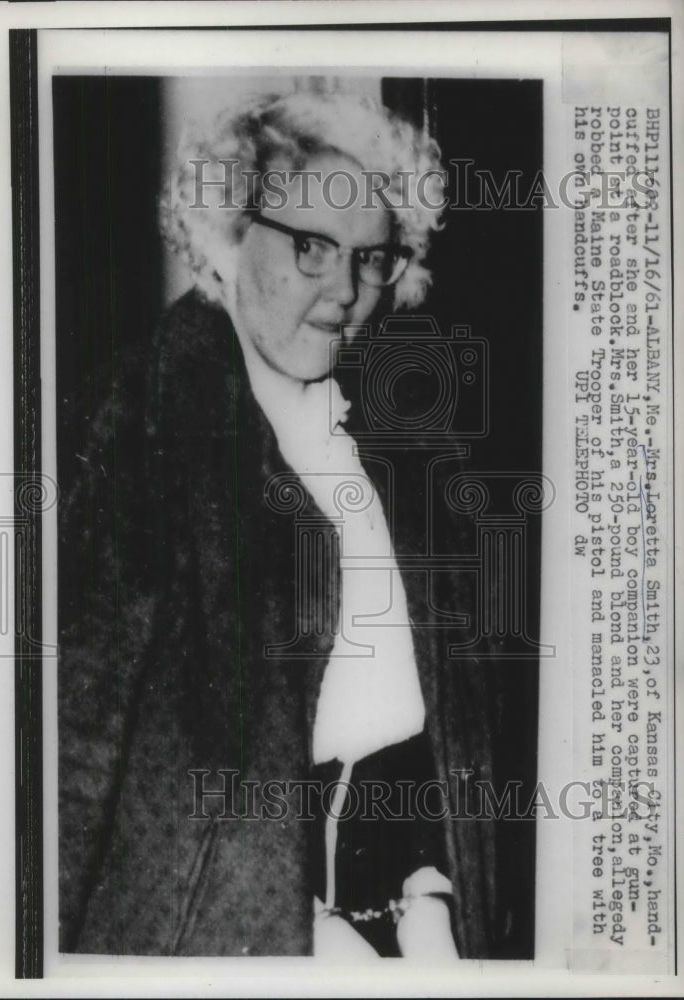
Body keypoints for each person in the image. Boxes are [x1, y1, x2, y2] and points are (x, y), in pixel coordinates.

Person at [58, 85, 501, 958]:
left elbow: (452, 722)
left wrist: (435, 889)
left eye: (371, 259)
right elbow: (70, 757)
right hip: (239, 933)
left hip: (412, 913)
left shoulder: (397, 441)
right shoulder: (137, 422)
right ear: (227, 230)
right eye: (310, 247)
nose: (345, 291)